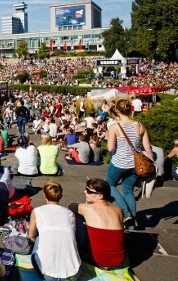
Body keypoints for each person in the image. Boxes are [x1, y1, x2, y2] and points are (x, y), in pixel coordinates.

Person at [105, 99, 155, 230]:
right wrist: (151, 162)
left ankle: (126, 214)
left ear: (117, 110)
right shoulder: (140, 125)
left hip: (119, 162)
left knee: (109, 185)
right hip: (134, 164)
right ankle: (131, 224)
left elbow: (110, 148)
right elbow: (148, 147)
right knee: (128, 191)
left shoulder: (114, 127)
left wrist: (109, 138)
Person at [28, 181, 81, 281]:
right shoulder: (70, 213)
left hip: (48, 273)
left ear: (44, 195)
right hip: (74, 272)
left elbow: (31, 236)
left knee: (39, 238)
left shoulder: (37, 211)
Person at [68, 178, 126, 269]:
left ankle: (78, 250)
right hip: (119, 260)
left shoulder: (86, 208)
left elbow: (71, 206)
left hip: (97, 260)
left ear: (100, 196)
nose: (84, 192)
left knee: (78, 217)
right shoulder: (119, 209)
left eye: (88, 191)